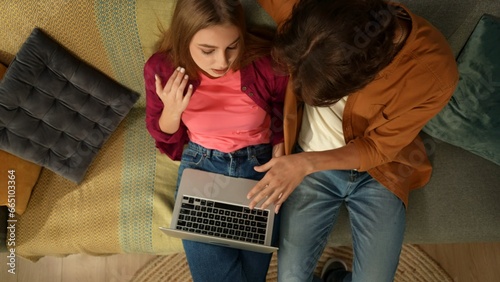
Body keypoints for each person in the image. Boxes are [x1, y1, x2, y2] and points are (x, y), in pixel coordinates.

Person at [247, 0, 459, 281]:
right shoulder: (318, 13)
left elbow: (378, 148)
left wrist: (303, 164)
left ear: (368, 75)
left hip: (380, 170)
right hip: (308, 161)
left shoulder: (435, 74)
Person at [144, 0, 288, 281]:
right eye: (207, 51)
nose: (222, 62)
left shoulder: (266, 62)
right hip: (202, 166)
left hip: (257, 166)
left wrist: (280, 150)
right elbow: (163, 139)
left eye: (232, 46)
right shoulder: (162, 69)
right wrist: (172, 111)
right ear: (185, 39)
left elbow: (286, 107)